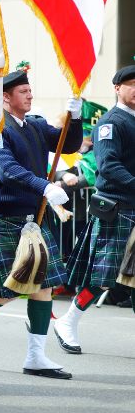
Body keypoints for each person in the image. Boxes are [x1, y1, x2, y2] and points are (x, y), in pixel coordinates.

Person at [0, 66, 82, 379]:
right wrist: (45, 186)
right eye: (23, 91)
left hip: (35, 218)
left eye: (30, 90)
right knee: (8, 290)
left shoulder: (33, 125)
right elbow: (7, 171)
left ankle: (36, 357)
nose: (30, 94)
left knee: (43, 287)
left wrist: (75, 116)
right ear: (5, 97)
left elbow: (67, 144)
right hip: (6, 217)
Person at [56, 65, 135, 351]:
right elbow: (109, 167)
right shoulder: (110, 123)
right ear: (117, 88)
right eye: (131, 84)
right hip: (117, 207)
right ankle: (68, 321)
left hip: (132, 207)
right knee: (104, 277)